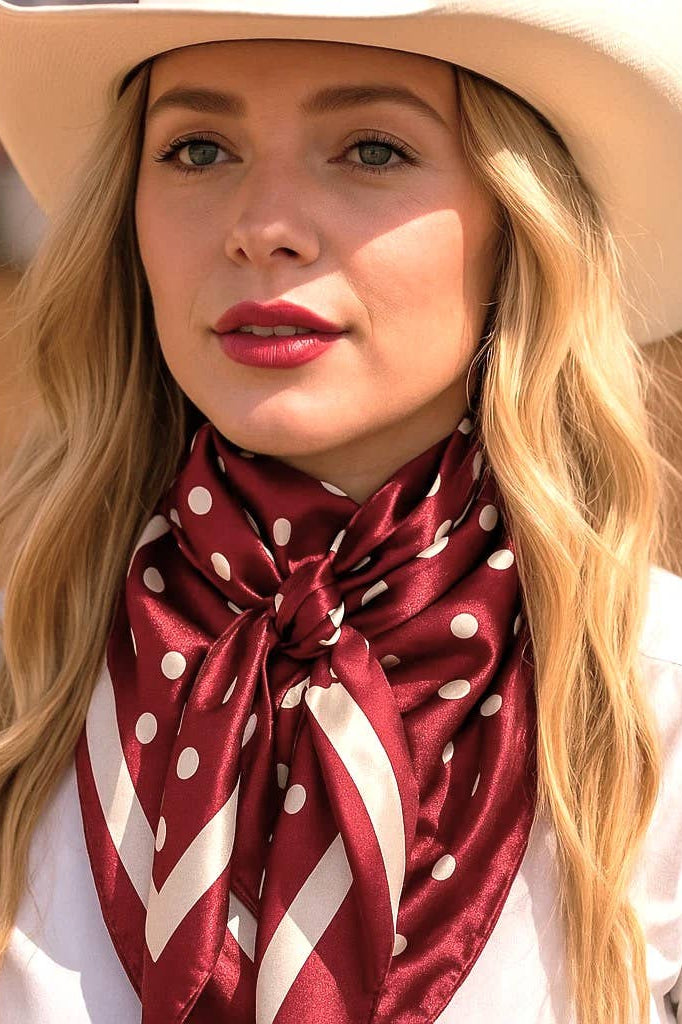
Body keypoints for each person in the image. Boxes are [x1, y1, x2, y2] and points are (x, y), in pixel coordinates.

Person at [0, 2, 681, 1022]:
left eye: (371, 148)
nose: (262, 227)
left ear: (518, 216)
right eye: (197, 147)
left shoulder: (652, 702)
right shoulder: (26, 662)